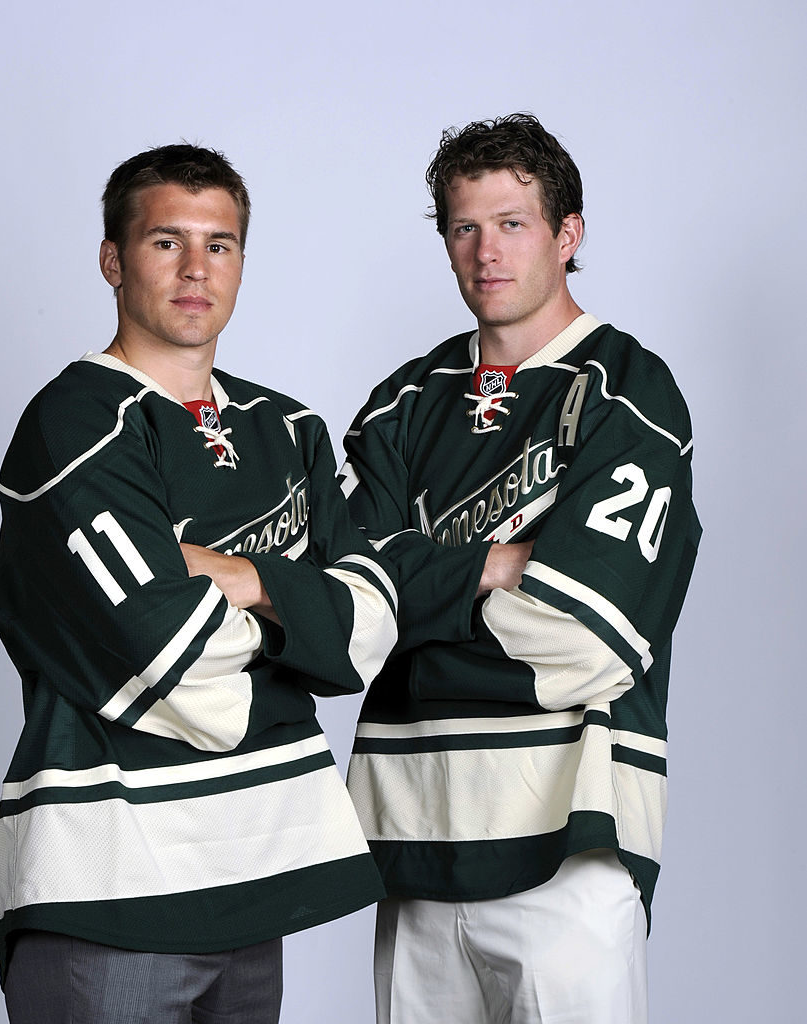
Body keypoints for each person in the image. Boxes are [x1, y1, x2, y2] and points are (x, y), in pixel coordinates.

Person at [0, 143, 398, 1024]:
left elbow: (368, 629)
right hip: (109, 886)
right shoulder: (75, 421)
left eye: (220, 244)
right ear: (113, 260)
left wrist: (240, 576)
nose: (196, 269)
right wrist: (298, 612)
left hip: (254, 880)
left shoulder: (289, 429)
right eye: (165, 241)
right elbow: (175, 660)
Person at [339, 113, 701, 1024]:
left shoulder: (626, 389)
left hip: (565, 851)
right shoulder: (401, 404)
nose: (485, 251)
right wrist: (501, 566)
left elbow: (586, 638)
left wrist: (416, 596)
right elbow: (346, 616)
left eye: (512, 224)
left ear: (566, 235)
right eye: (464, 227)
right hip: (412, 844)